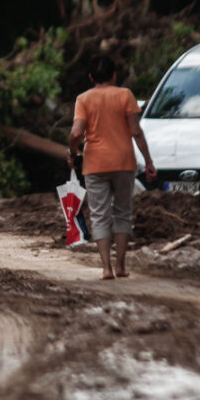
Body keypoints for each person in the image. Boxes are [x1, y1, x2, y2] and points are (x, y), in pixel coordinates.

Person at [67, 55, 156, 280]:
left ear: (90, 78)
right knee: (123, 213)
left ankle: (106, 268)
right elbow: (136, 131)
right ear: (114, 75)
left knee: (99, 215)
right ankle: (121, 266)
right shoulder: (125, 95)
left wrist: (73, 152)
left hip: (95, 163)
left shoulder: (83, 99)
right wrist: (149, 161)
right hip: (123, 162)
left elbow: (76, 132)